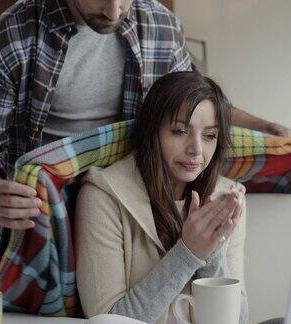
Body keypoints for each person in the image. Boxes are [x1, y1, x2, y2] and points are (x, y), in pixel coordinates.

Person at [0, 0, 291, 282]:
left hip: (125, 208)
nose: (114, 11)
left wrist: (269, 129)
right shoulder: (8, 38)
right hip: (42, 225)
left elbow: (196, 101)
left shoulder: (158, 23)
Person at [75, 71, 247, 323]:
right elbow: (108, 320)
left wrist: (212, 254)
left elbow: (239, 320)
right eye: (179, 131)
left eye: (209, 136)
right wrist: (188, 253)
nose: (196, 150)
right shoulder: (102, 194)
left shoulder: (227, 197)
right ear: (152, 131)